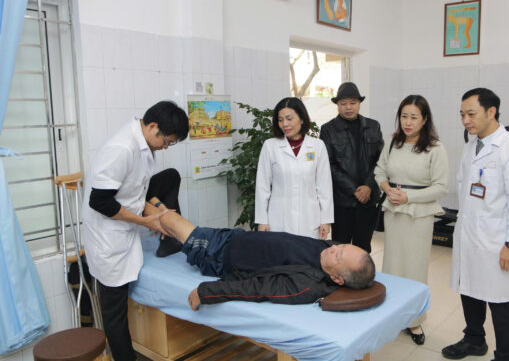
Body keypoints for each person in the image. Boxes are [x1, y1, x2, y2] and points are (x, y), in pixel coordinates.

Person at [82, 101, 188, 361]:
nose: (166, 147)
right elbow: (99, 201)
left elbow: (138, 190)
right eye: (167, 141)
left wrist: (160, 210)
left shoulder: (144, 145)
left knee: (171, 176)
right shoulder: (122, 148)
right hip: (108, 237)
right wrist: (146, 221)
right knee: (115, 314)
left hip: (124, 229)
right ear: (153, 127)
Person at [144, 197, 375, 309]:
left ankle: (139, 200)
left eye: (339, 255)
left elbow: (256, 289)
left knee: (168, 220)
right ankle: (157, 205)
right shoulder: (329, 252)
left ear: (337, 279)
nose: (333, 247)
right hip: (236, 237)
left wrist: (206, 291)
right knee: (176, 224)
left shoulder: (306, 283)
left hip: (218, 254)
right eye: (342, 246)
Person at [442, 88, 509, 361]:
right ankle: (474, 339)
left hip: (497, 240)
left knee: (501, 300)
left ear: (491, 112)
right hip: (469, 235)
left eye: (471, 114)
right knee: (470, 289)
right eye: (462, 115)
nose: (465, 120)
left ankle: (507, 356)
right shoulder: (471, 148)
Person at [374, 95, 449, 345]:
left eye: (414, 117)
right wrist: (386, 187)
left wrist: (408, 197)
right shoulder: (393, 143)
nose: (407, 122)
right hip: (394, 211)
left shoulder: (435, 149)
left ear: (425, 119)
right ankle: (393, 316)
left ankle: (415, 321)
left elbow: (441, 187)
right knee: (393, 265)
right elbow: (379, 170)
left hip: (419, 215)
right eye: (404, 116)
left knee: (415, 267)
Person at [255, 97, 334, 239]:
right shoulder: (270, 146)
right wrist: (262, 220)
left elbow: (324, 186)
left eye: (289, 118)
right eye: (280, 120)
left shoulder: (317, 146)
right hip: (278, 219)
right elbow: (262, 186)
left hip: (310, 219)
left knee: (308, 251)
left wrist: (326, 220)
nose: (284, 124)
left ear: (302, 119)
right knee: (281, 251)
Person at [320, 82, 383, 253]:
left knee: (363, 249)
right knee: (340, 249)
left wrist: (368, 186)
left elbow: (381, 161)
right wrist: (354, 189)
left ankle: (362, 273)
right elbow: (328, 165)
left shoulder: (373, 126)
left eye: (353, 103)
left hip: (368, 200)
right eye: (343, 103)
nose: (348, 107)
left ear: (359, 103)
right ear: (337, 105)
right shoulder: (328, 130)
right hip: (342, 202)